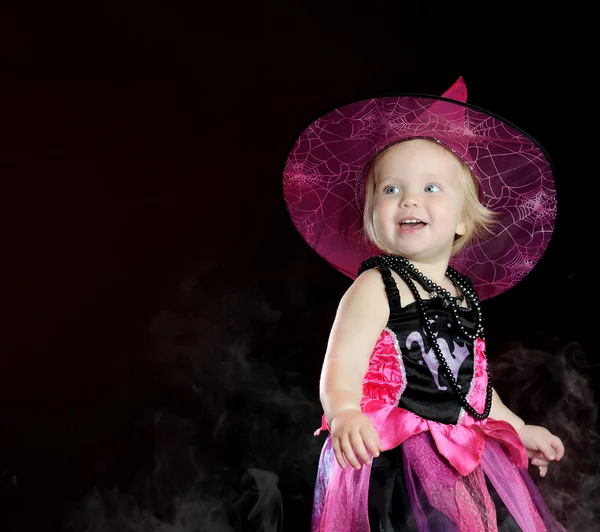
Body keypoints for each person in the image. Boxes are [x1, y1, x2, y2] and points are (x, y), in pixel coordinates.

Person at [283, 77, 566, 531]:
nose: (409, 198)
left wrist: (517, 428)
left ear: (461, 220)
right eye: (390, 190)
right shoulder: (377, 286)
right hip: (393, 459)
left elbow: (472, 391)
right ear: (371, 215)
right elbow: (341, 363)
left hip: (460, 457)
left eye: (431, 188)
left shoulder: (459, 294)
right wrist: (344, 411)